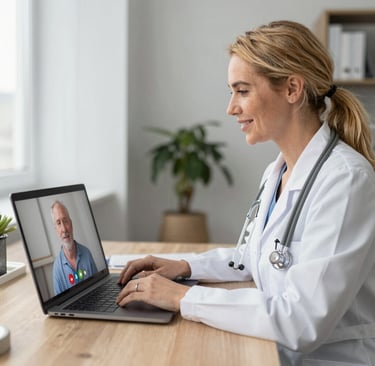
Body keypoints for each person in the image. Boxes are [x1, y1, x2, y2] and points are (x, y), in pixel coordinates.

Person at [116, 20, 375, 365]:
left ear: (292, 89)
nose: (231, 108)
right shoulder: (278, 170)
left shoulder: (345, 179)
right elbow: (254, 257)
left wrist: (182, 299)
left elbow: (304, 320)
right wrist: (182, 266)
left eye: (242, 90)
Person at [52, 200, 98, 295]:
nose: (64, 229)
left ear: (71, 224)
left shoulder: (87, 253)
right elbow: (59, 305)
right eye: (59, 223)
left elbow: (98, 287)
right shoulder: (56, 268)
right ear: (56, 230)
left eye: (65, 221)